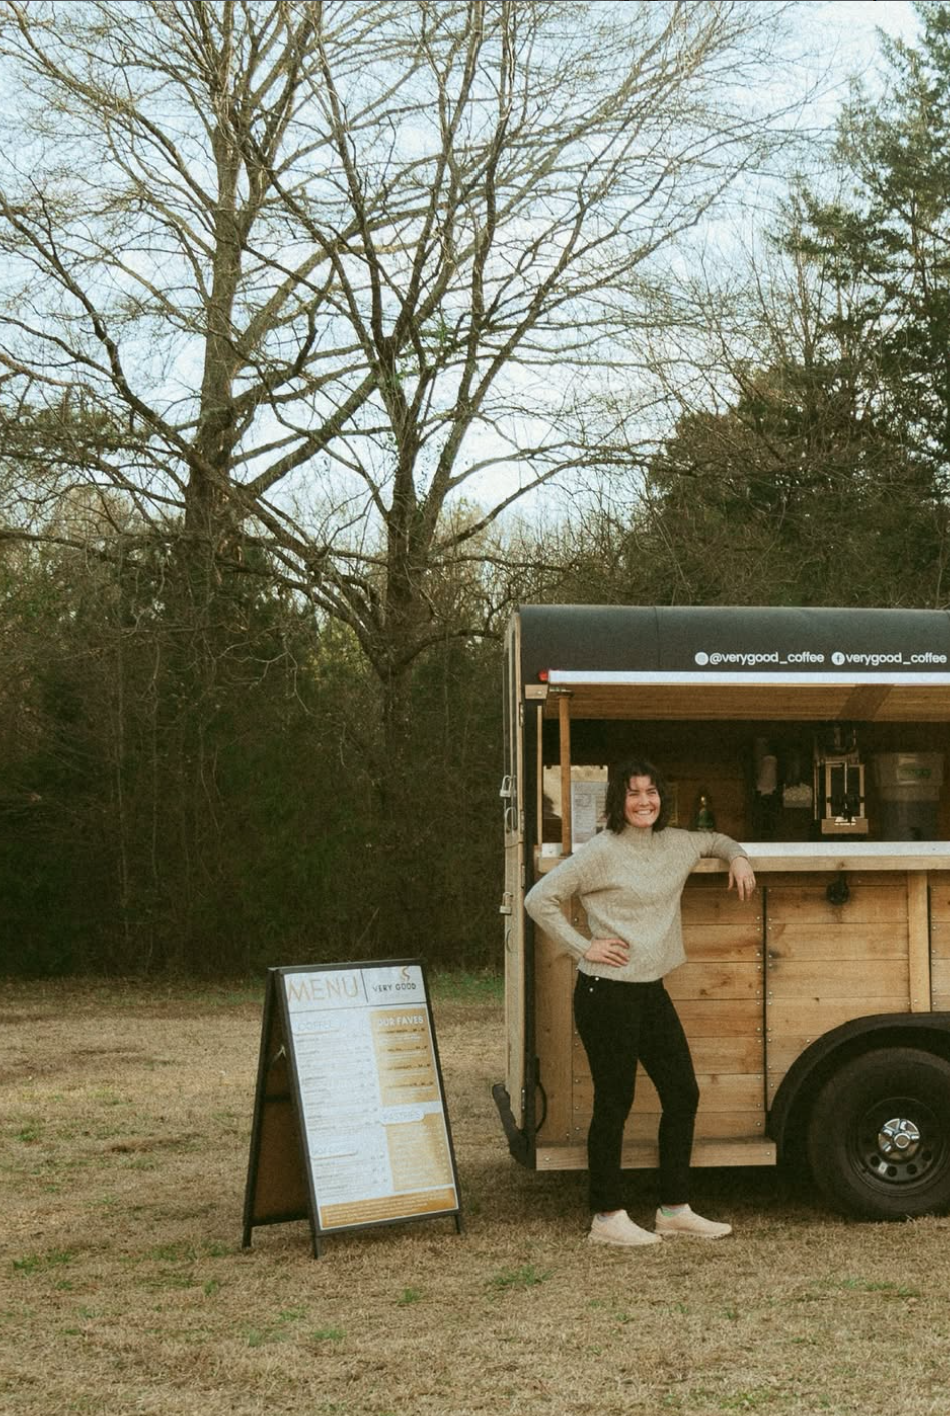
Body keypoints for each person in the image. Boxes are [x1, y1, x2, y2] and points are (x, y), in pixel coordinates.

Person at [524, 756, 756, 1248]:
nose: (643, 801)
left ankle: (673, 1209)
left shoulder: (676, 843)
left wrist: (737, 856)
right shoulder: (601, 852)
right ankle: (606, 1217)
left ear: (661, 799)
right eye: (633, 793)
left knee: (683, 1092)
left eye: (651, 792)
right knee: (615, 1101)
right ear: (618, 800)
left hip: (649, 989)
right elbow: (538, 898)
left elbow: (717, 840)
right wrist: (583, 945)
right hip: (605, 992)